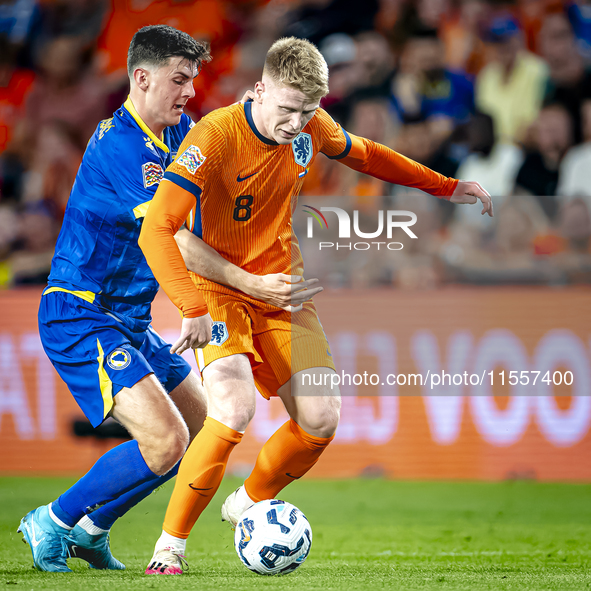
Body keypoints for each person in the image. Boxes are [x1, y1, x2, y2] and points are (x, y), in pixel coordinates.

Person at [139, 36, 492, 575]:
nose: (295, 123)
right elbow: (158, 228)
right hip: (219, 292)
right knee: (233, 409)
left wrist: (444, 187)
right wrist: (190, 306)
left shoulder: (311, 129)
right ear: (259, 89)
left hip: (283, 291)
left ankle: (248, 501)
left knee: (322, 420)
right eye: (286, 109)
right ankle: (170, 547)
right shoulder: (213, 137)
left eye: (308, 111)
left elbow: (368, 155)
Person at [17, 24, 310, 574]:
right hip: (81, 312)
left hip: (129, 320)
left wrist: (255, 125)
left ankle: (90, 529)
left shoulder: (183, 135)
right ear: (141, 78)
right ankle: (51, 521)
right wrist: (248, 285)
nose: (188, 92)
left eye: (193, 80)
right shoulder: (121, 146)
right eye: (179, 79)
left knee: (199, 433)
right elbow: (172, 235)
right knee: (166, 440)